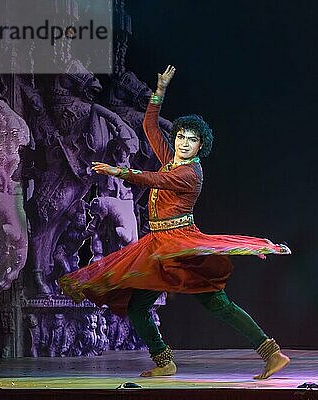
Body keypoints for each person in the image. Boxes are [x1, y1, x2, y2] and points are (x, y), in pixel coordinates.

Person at [59, 65, 291, 379]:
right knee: (139, 306)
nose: (183, 143)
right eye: (181, 136)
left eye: (191, 140)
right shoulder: (171, 159)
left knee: (216, 303)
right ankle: (164, 361)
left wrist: (118, 172)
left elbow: (153, 178)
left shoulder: (189, 173)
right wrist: (160, 90)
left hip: (179, 246)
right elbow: (149, 125)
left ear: (200, 146)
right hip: (157, 245)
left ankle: (271, 352)